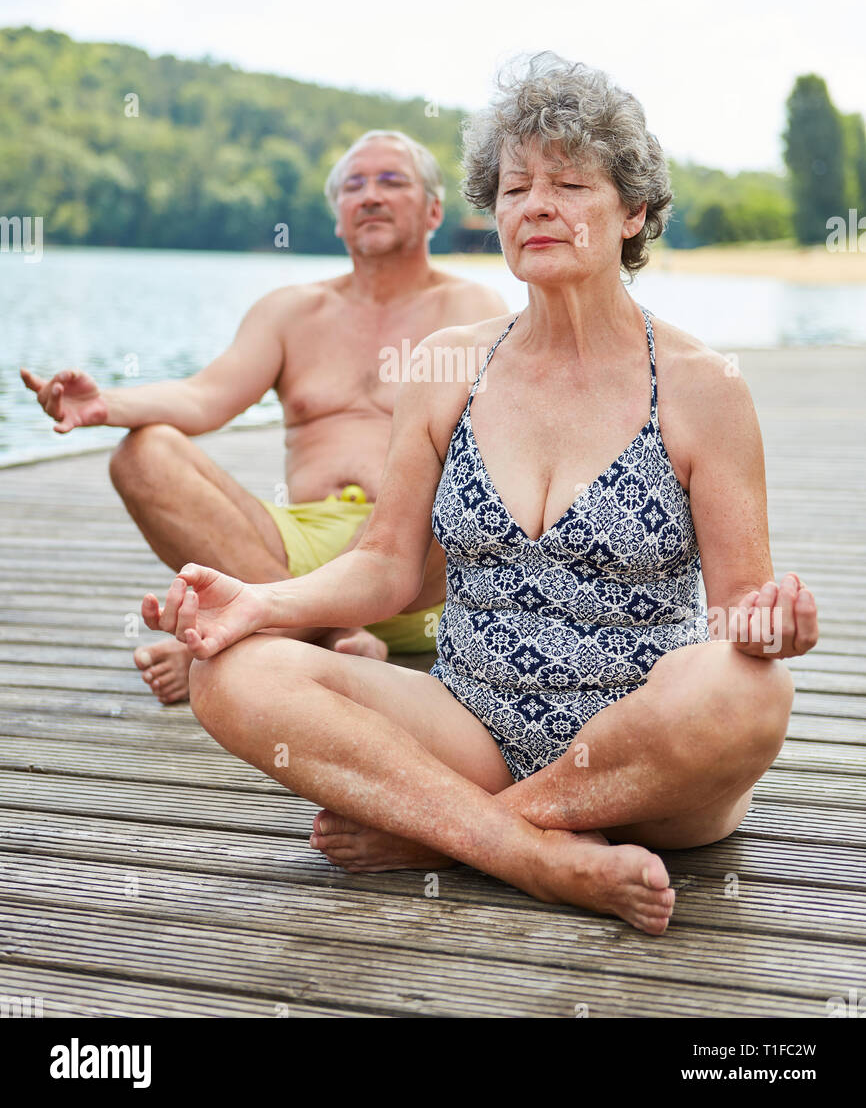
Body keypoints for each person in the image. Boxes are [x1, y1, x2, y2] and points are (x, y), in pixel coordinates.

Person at [138, 55, 819, 933]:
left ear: (636, 213)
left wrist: (776, 625)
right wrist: (259, 602)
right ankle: (531, 853)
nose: (534, 204)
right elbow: (385, 566)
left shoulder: (701, 386)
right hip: (469, 728)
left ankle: (448, 834)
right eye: (513, 187)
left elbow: (738, 618)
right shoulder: (449, 364)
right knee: (229, 673)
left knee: (754, 693)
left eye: (570, 183)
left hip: (648, 759)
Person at [20, 129, 508, 702]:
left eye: (391, 181)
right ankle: (325, 631)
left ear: (432, 210)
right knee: (143, 451)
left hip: (410, 569)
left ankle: (265, 631)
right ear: (337, 217)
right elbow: (205, 399)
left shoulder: (470, 308)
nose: (370, 195)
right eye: (354, 185)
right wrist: (105, 406)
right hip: (285, 557)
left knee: (459, 473)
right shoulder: (289, 311)